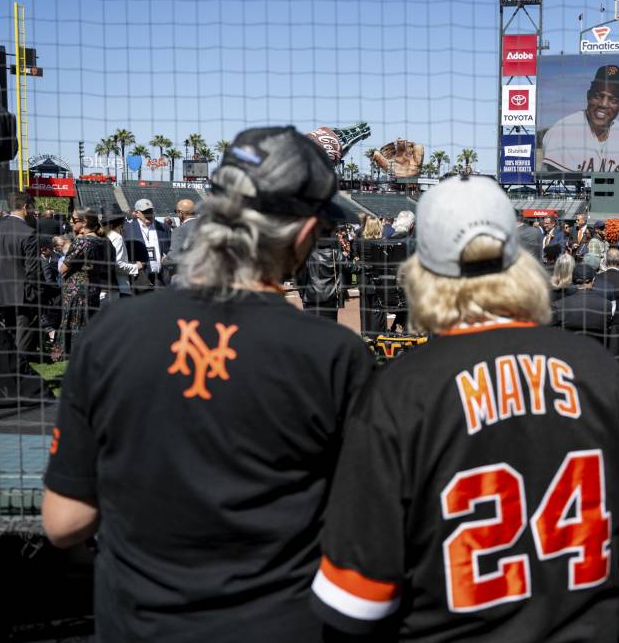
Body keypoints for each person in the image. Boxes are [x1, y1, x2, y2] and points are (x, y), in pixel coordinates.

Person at [43, 126, 374, 642]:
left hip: (138, 622)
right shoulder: (332, 353)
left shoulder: (111, 333)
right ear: (304, 232)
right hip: (280, 624)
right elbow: (361, 528)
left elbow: (64, 522)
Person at [309, 175, 619, 640]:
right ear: (518, 260)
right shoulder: (593, 366)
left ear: (421, 268)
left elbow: (355, 600)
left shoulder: (399, 391)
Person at [542, 64, 619, 173]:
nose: (603, 104)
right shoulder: (562, 132)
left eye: (613, 100)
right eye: (598, 96)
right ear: (588, 96)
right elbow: (553, 188)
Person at [0, 192, 41, 360]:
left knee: (10, 330)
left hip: (0, 290)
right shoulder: (29, 232)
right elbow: (33, 270)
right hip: (23, 293)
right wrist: (35, 293)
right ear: (25, 207)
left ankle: (10, 367)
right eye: (32, 208)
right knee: (23, 333)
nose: (32, 212)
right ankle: (18, 372)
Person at [53, 209, 115, 360]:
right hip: (94, 287)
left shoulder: (82, 241)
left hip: (76, 290)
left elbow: (63, 268)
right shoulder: (104, 241)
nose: (70, 222)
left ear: (84, 222)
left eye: (74, 220)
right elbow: (111, 264)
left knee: (76, 324)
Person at [552, 263, 613, 338]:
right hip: (596, 347)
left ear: (573, 281)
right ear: (593, 280)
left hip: (568, 347)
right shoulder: (607, 305)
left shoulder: (560, 305)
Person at [123, 198, 172, 290]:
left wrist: (168, 256)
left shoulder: (163, 228)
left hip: (161, 278)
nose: (149, 215)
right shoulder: (127, 230)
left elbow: (170, 247)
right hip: (140, 279)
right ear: (137, 213)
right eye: (145, 212)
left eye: (150, 211)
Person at [100, 206, 143, 300]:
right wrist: (136, 266)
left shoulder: (103, 237)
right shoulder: (116, 237)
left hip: (105, 287)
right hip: (120, 287)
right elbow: (117, 264)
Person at [163, 198, 198, 280]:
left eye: (176, 212)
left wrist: (165, 260)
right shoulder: (207, 226)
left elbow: (173, 257)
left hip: (184, 277)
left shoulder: (179, 230)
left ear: (181, 213)